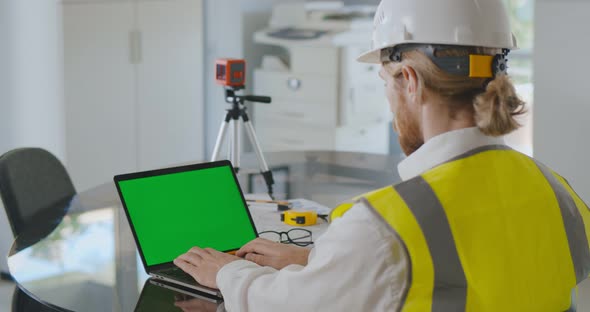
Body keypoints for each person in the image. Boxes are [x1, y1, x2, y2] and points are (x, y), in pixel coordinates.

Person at [174, 0, 590, 310]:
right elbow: (486, 271)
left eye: (386, 83)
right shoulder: (561, 193)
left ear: (409, 80)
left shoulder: (382, 226)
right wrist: (318, 260)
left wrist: (227, 273)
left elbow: (289, 305)